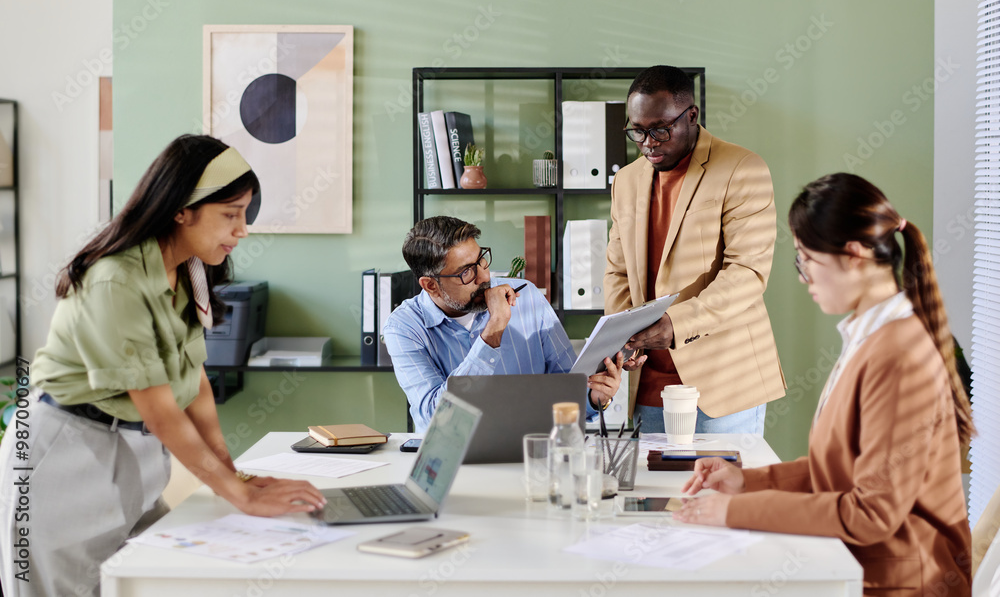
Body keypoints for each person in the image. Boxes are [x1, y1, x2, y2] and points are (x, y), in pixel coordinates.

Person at [0, 135, 326, 597]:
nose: (242, 231)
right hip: (65, 454)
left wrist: (234, 477)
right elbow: (159, 410)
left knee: (148, 583)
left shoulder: (189, 270)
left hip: (135, 454)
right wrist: (238, 494)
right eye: (230, 215)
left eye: (244, 215)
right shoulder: (115, 280)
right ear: (181, 210)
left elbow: (195, 385)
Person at [676, 173, 973, 594]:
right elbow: (843, 472)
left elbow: (871, 513)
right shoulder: (870, 337)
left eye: (806, 260)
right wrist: (746, 481)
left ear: (853, 255)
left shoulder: (899, 355)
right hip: (859, 567)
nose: (803, 277)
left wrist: (733, 511)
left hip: (903, 581)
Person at [604, 65, 785, 435]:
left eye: (660, 130)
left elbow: (747, 273)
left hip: (726, 386)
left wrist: (675, 325)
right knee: (652, 477)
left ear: (691, 116)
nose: (648, 143)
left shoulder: (742, 168)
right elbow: (617, 271)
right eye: (637, 131)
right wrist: (624, 335)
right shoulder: (626, 180)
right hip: (648, 387)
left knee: (719, 477)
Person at [383, 216, 623, 432]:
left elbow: (568, 386)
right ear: (430, 285)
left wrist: (594, 397)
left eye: (481, 260)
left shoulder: (527, 295)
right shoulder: (404, 327)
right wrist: (493, 331)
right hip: (454, 460)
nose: (484, 276)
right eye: (466, 272)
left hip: (532, 451)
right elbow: (435, 417)